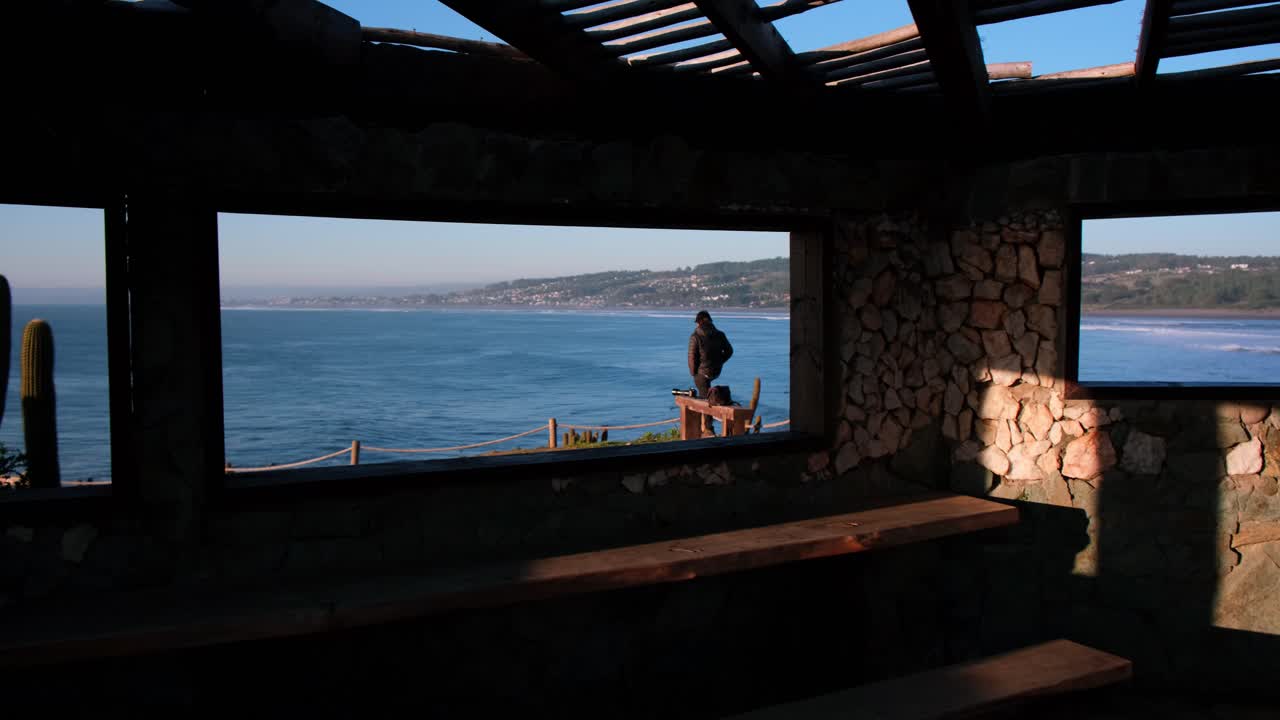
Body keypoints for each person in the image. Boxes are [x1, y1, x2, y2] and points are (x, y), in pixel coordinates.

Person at [687, 310, 733, 399]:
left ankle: (707, 409)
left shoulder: (695, 337)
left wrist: (693, 373)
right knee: (708, 393)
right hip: (716, 371)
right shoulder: (720, 334)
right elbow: (729, 351)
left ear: (699, 322)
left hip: (702, 373)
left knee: (704, 398)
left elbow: (691, 357)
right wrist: (720, 361)